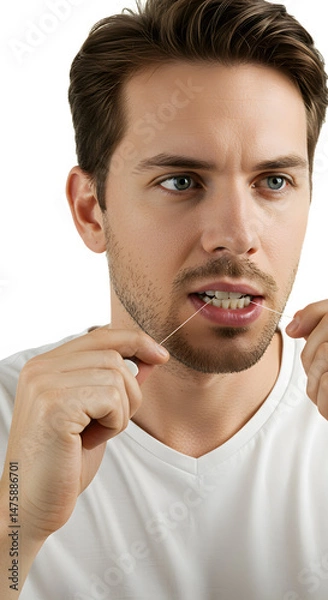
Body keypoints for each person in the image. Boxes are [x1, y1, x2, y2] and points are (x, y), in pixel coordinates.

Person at [1, 0, 328, 597]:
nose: (237, 234)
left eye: (273, 182)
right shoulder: (9, 425)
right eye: (181, 181)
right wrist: (13, 527)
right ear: (90, 210)